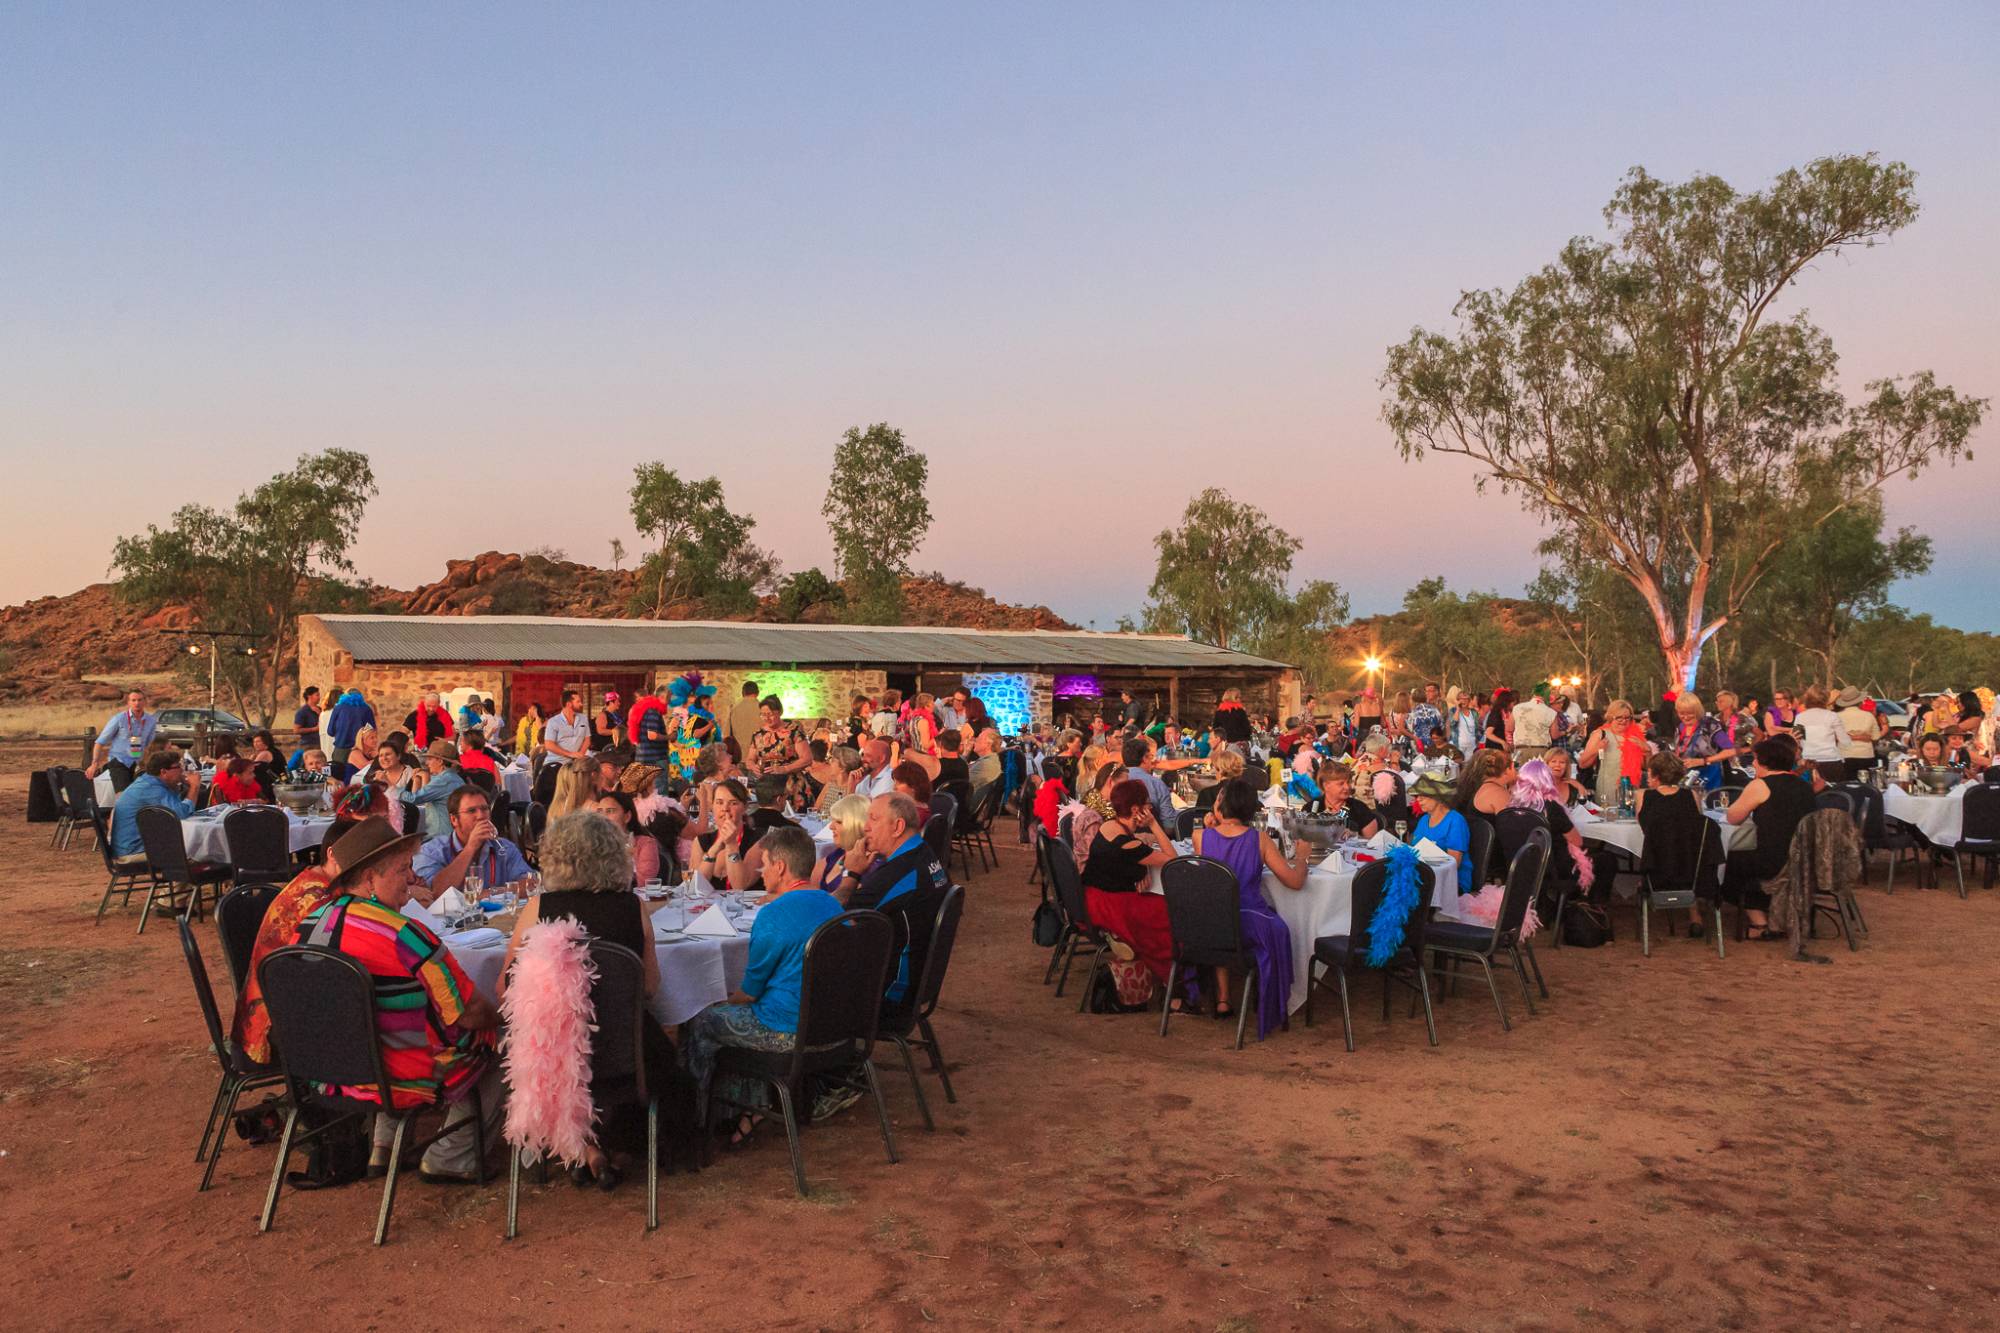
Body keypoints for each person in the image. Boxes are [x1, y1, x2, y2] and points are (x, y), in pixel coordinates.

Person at [292, 818, 501, 1183]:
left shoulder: (309, 925)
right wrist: (509, 1015)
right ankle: (451, 1155)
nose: (411, 877)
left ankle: (384, 1147)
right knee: (505, 1040)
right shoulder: (404, 934)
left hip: (324, 1074)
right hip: (398, 1076)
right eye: (403, 869)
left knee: (395, 1029)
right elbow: (468, 1013)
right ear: (371, 878)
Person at [496, 809, 673, 1186]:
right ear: (613, 855)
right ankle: (609, 1147)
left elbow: (505, 991)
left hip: (556, 1059)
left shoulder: (538, 910)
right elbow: (649, 989)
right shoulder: (633, 907)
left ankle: (584, 1150)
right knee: (669, 1047)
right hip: (628, 1056)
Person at [682, 826, 844, 1145]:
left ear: (780, 867)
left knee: (700, 1019)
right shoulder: (831, 904)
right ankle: (747, 1108)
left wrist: (717, 999)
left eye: (765, 863)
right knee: (740, 1013)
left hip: (787, 1033)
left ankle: (697, 1122)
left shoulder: (772, 915)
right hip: (834, 1027)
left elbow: (748, 994)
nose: (761, 870)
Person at [231, 811, 392, 1064]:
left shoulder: (322, 883)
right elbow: (344, 964)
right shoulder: (315, 899)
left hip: (286, 1008)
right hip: (276, 1024)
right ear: (332, 854)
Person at [1192, 778, 1309, 1035]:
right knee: (1281, 928)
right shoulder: (1260, 839)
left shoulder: (1200, 836)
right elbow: (1295, 882)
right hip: (1250, 923)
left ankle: (1223, 998)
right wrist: (1302, 857)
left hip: (1213, 924)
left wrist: (1212, 822)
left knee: (1222, 917)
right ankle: (1272, 998)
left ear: (1221, 803)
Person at [1079, 779, 1180, 991]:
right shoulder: (1128, 844)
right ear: (1136, 809)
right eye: (1147, 804)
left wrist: (1141, 868)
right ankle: (1175, 982)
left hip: (1093, 899)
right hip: (1114, 907)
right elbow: (1172, 859)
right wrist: (1153, 823)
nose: (1150, 807)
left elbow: (1121, 859)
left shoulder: (1109, 826)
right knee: (1172, 912)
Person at [1722, 737, 1819, 940]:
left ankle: (1760, 923)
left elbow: (1733, 817)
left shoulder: (1760, 785)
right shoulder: (1804, 786)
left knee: (1731, 861)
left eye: (1756, 760)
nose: (1753, 763)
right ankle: (1777, 913)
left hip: (1776, 861)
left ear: (1765, 762)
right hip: (1807, 860)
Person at [1635, 751, 1715, 936]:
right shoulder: (1692, 796)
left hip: (1656, 869)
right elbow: (1697, 826)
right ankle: (1695, 917)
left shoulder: (1643, 796)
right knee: (1685, 855)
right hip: (1690, 869)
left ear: (1655, 775)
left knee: (1665, 851)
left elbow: (1646, 828)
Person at [414, 784, 532, 894]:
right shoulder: (431, 852)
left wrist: (491, 894)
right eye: (471, 811)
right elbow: (434, 893)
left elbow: (531, 883)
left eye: (485, 809)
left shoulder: (504, 847)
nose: (481, 816)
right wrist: (470, 848)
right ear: (454, 820)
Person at [108, 750, 201, 859]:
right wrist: (194, 787)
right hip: (133, 851)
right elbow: (181, 815)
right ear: (164, 772)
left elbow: (175, 807)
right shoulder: (151, 789)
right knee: (197, 847)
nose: (182, 770)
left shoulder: (149, 782)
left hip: (132, 846)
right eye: (178, 767)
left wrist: (177, 786)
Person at [1408, 773, 1473, 893]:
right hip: (1424, 876)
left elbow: (1453, 864)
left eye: (1424, 795)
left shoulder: (1455, 821)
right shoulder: (1424, 819)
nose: (1418, 799)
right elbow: (1414, 850)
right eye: (1418, 795)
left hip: (1451, 882)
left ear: (1438, 797)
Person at [1579, 700, 1650, 807]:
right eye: (1619, 717)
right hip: (1607, 789)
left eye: (1627, 717)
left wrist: (1647, 750)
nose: (1623, 721)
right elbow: (1582, 764)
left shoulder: (1636, 737)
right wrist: (1597, 749)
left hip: (1632, 790)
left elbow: (1648, 767)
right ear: (1611, 717)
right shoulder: (1600, 734)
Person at [87, 689, 158, 792]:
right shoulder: (119, 719)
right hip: (119, 762)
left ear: (145, 701)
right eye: (133, 700)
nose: (137, 703)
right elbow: (100, 742)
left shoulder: (151, 721)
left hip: (138, 763)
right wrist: (94, 764)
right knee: (122, 794)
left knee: (137, 795)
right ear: (128, 702)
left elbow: (150, 745)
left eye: (139, 700)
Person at [747, 695, 812, 806]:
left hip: (791, 785)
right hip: (768, 787)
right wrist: (754, 767)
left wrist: (785, 769)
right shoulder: (758, 735)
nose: (767, 718)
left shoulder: (793, 732)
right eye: (763, 715)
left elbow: (807, 759)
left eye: (770, 714)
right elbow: (749, 759)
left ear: (780, 712)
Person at [1669, 692, 1733, 791]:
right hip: (1686, 780)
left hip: (1709, 779)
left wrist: (1703, 761)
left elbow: (1730, 750)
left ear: (1697, 710)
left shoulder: (1709, 725)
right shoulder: (1680, 727)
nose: (1685, 717)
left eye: (1690, 713)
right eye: (1681, 713)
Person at [814, 794, 870, 893]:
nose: (831, 826)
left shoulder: (868, 865)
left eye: (839, 822)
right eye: (832, 821)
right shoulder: (838, 854)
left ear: (855, 825)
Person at [412, 738, 467, 840]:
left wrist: (392, 788)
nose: (427, 763)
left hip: (440, 837)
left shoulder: (444, 780)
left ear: (440, 761)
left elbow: (414, 799)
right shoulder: (451, 777)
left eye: (430, 759)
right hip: (454, 834)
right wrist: (420, 778)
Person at [1792, 685, 1848, 782]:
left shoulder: (1800, 717)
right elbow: (1843, 739)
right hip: (1831, 760)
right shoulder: (1832, 716)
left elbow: (1797, 738)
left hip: (1809, 760)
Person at [1122, 735, 1178, 830]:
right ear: (1144, 758)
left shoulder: (1114, 780)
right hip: (1153, 838)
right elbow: (1169, 825)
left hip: (1119, 836)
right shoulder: (1156, 784)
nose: (1153, 761)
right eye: (1151, 757)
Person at [1317, 762, 1379, 837]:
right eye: (1341, 783)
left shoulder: (1360, 808)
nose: (1347, 787)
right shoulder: (1312, 808)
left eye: (1348, 782)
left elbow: (1373, 843)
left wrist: (1354, 836)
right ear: (1326, 785)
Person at [324, 687, 376, 769]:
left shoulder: (338, 708)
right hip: (359, 750)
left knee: (339, 774)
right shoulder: (366, 709)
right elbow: (372, 730)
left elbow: (330, 731)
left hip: (340, 749)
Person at [542, 690, 593, 772]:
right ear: (569, 704)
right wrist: (570, 754)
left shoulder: (583, 718)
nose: (581, 704)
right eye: (578, 702)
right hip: (556, 763)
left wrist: (580, 755)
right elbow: (549, 745)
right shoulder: (553, 722)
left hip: (577, 763)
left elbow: (587, 739)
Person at [1511, 688, 1557, 762]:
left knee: (1520, 772)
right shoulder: (1551, 712)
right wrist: (1566, 731)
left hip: (1521, 749)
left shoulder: (1517, 708)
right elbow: (1554, 735)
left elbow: (1509, 728)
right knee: (1539, 773)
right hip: (1541, 750)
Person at [726, 680, 763, 760]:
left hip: (739, 756)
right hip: (758, 757)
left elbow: (727, 735)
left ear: (743, 693)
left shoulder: (734, 710)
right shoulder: (764, 710)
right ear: (757, 693)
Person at [1211, 687, 1253, 752]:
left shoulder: (1219, 712)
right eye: (1239, 697)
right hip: (1238, 745)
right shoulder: (1240, 711)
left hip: (1224, 745)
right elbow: (1247, 729)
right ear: (1234, 698)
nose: (1240, 700)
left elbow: (1215, 729)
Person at [968, 729, 1005, 794]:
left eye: (979, 738)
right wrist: (966, 752)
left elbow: (960, 783)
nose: (975, 740)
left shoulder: (985, 764)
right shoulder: (991, 760)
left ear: (988, 744)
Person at [292, 685, 322, 761]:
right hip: (307, 745)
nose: (319, 697)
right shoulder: (302, 712)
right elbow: (296, 730)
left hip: (319, 743)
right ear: (310, 696)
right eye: (317, 695)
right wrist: (314, 729)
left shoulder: (320, 710)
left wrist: (320, 714)